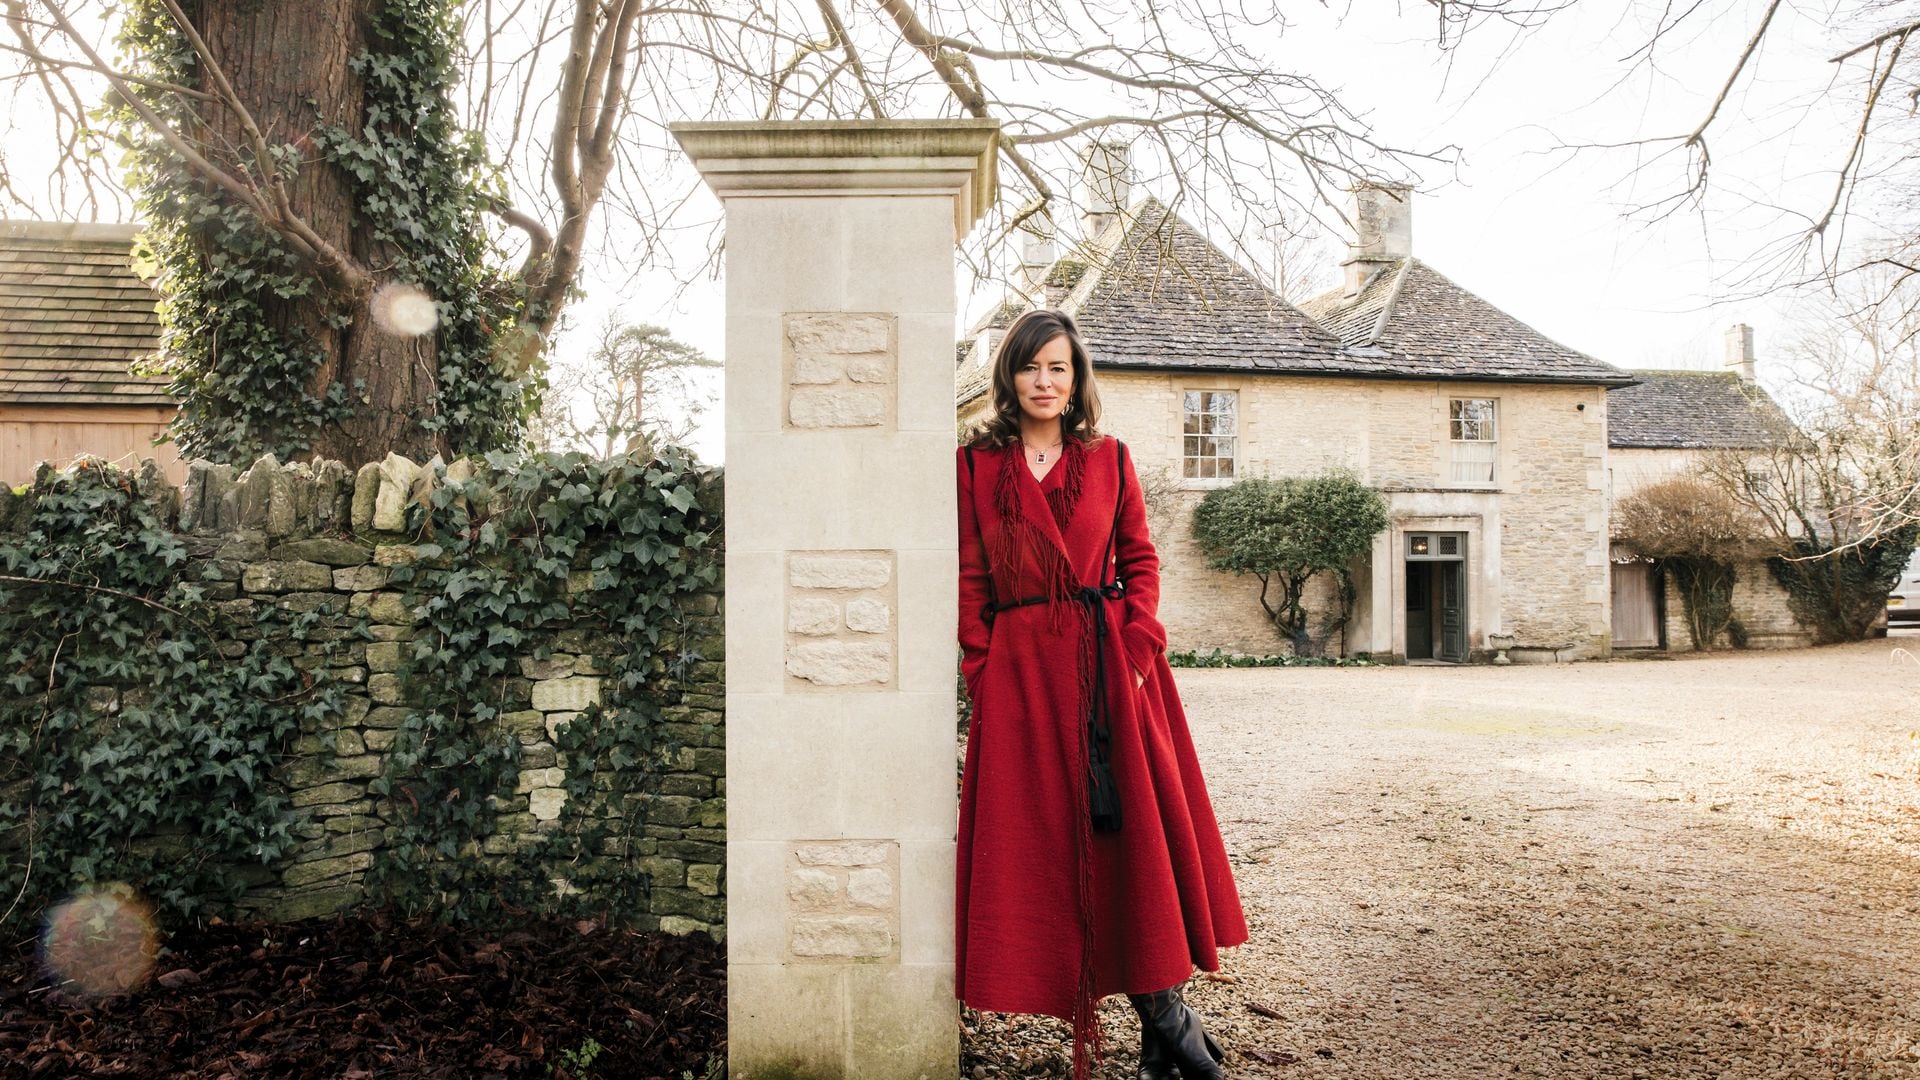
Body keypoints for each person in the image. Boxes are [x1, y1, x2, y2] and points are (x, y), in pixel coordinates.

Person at [955, 308, 1249, 1080]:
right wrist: (984, 668)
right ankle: (1168, 1032)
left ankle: (1167, 1022)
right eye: (1030, 367)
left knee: (1134, 844)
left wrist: (1142, 648)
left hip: (1112, 674)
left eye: (1058, 367)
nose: (1044, 381)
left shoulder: (1110, 458)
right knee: (1051, 849)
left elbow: (1140, 560)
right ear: (1008, 377)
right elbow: (970, 576)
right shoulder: (975, 467)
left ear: (1077, 377)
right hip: (1022, 681)